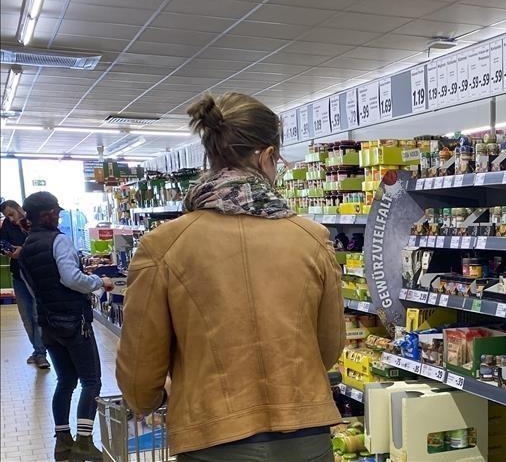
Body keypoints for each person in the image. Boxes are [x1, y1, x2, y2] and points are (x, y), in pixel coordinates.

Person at [117, 92, 346, 462]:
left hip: (211, 438)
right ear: (268, 156)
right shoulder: (311, 238)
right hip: (305, 436)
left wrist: (152, 399)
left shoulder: (162, 246)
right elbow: (329, 344)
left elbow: (140, 367)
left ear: (211, 153)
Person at [17, 191, 114, 462]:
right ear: (47, 214)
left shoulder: (26, 247)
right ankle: (84, 443)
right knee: (91, 381)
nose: (59, 217)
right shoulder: (58, 240)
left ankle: (62, 443)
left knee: (66, 381)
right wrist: (98, 281)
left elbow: (33, 289)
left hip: (48, 325)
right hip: (74, 323)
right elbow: (71, 278)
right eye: (57, 213)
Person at [1, 199, 50, 369]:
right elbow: (2, 243)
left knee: (37, 316)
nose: (11, 219)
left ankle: (41, 353)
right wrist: (7, 250)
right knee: (27, 318)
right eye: (7, 216)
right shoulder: (7, 226)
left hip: (37, 276)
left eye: (12, 214)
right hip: (18, 276)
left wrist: (23, 250)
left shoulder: (33, 222)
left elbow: (44, 244)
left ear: (19, 208)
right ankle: (38, 351)